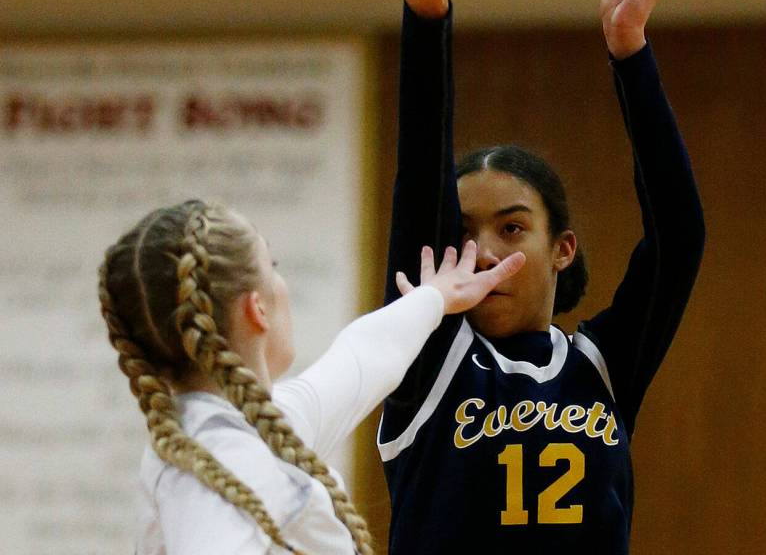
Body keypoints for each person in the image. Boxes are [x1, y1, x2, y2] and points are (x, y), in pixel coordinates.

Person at [377, 0, 705, 554]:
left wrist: (629, 50)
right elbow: (416, 186)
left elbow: (679, 236)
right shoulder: (428, 356)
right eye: (466, 233)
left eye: (513, 227)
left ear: (564, 248)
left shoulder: (601, 367)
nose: (487, 251)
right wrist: (426, 14)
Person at [99, 198, 524, 555]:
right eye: (273, 264)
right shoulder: (215, 454)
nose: (282, 281)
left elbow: (361, 358)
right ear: (257, 308)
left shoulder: (246, 425)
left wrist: (435, 298)